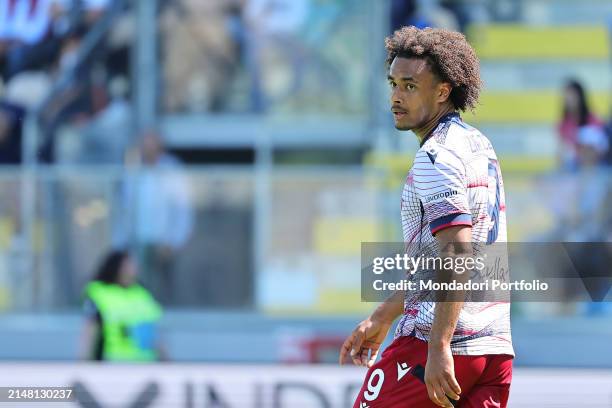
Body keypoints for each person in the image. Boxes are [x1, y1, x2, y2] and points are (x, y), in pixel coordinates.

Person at [340, 27, 513, 407]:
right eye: (393, 84)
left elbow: (457, 254)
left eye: (410, 86)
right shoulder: (478, 145)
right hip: (494, 348)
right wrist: (385, 315)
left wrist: (440, 345)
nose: (396, 97)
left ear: (442, 91)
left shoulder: (436, 156)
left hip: (435, 347)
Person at [114, 131, 194, 305]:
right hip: (137, 241)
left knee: (162, 287)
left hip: (162, 241)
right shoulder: (132, 169)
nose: (147, 150)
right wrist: (122, 241)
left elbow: (181, 210)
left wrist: (173, 241)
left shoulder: (172, 170)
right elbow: (125, 209)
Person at [80, 250, 166, 361]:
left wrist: (166, 361)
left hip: (145, 366)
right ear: (116, 268)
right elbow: (89, 333)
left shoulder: (142, 293)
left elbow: (154, 333)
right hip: (112, 367)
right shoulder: (99, 293)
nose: (132, 271)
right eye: (127, 267)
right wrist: (83, 364)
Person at [557, 79, 604, 171]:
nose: (569, 100)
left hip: (595, 168)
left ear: (580, 97)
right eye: (567, 96)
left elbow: (600, 147)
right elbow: (560, 151)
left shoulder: (592, 120)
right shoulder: (563, 123)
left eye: (572, 96)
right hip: (572, 168)